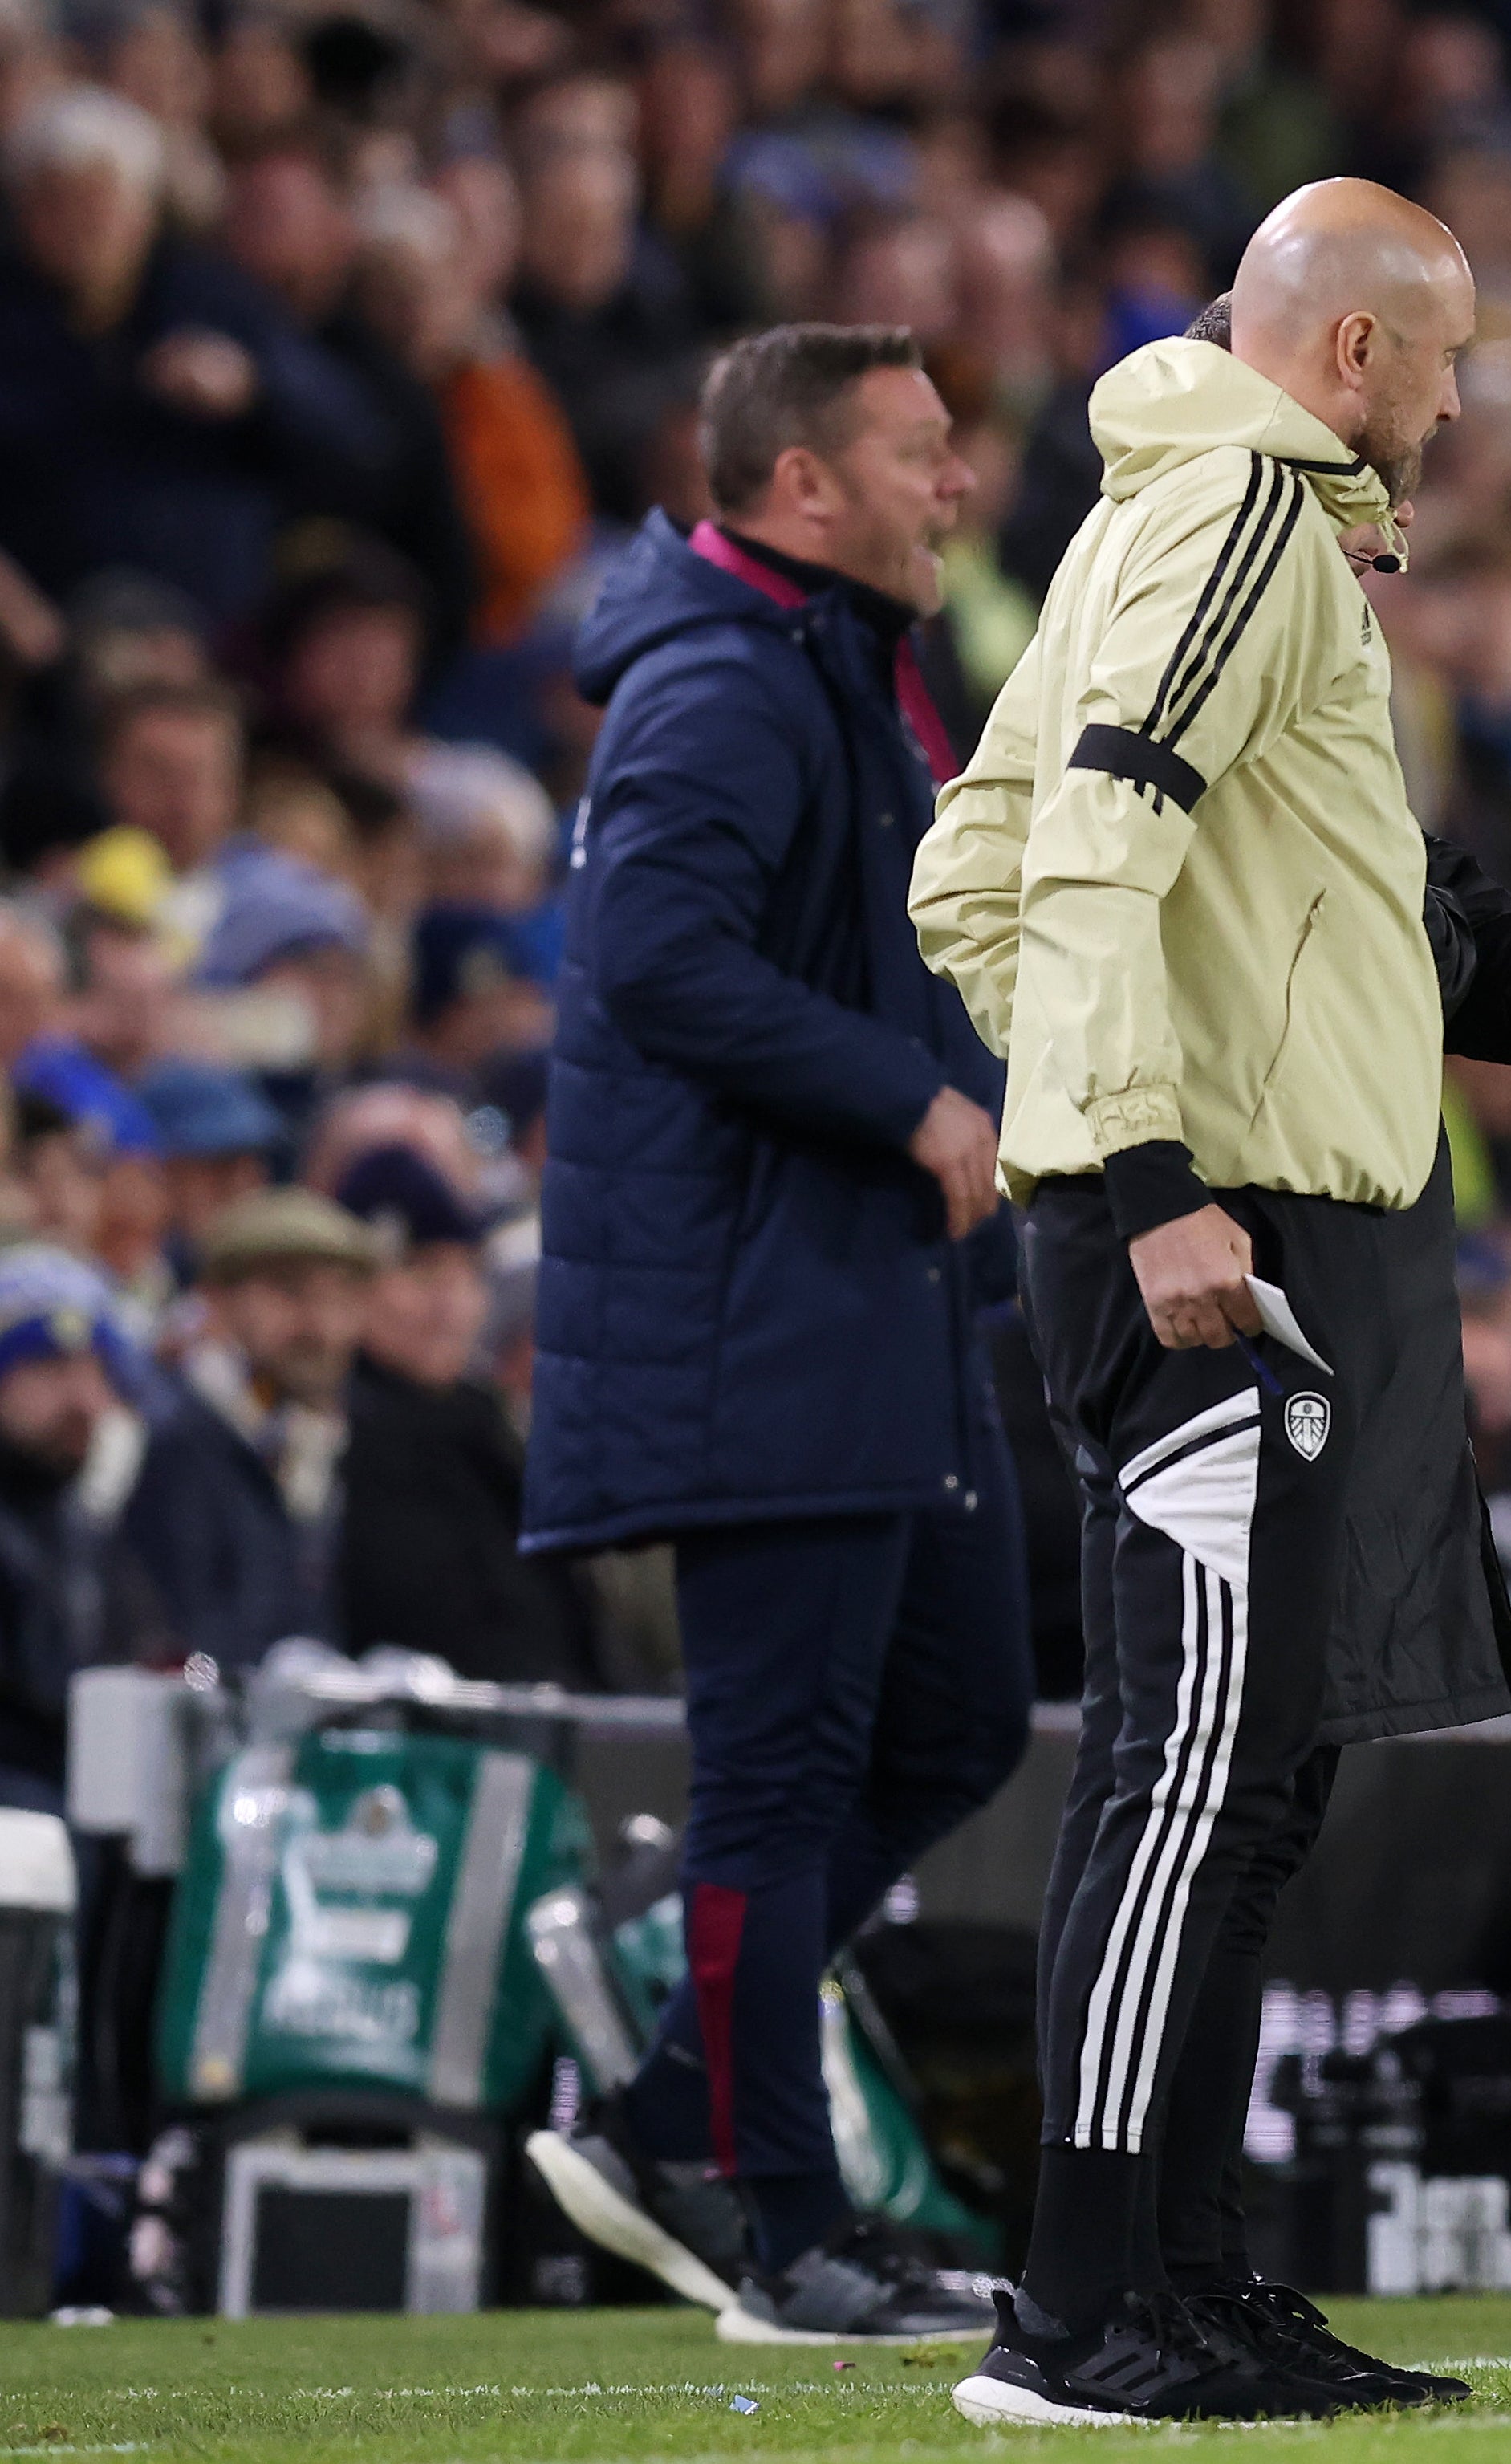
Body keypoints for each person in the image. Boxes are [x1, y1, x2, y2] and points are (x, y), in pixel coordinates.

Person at [913, 180, 1511, 2427]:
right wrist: (1144, 1175)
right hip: (1220, 1247)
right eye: (1448, 354)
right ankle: (1078, 2307)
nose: (1462, 396)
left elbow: (987, 870)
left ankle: (1188, 2274)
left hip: (1267, 1235)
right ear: (1350, 356)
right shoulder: (1232, 512)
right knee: (1196, 1769)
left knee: (1257, 1776)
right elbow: (1090, 846)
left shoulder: (1219, 533)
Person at [516, 324, 1025, 2348]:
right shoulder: (724, 680)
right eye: (916, 452)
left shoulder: (833, 660)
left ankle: (674, 2117)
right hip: (757, 1310)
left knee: (953, 1723)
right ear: (800, 486)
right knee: (778, 1779)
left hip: (877, 1299)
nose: (954, 484)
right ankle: (775, 2220)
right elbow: (650, 956)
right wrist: (907, 1098)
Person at [334, 1145, 597, 1685]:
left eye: (466, 1275)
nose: (450, 1307)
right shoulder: (343, 1435)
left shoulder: (487, 1426)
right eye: (422, 1274)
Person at [122, 1187, 376, 1665]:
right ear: (217, 1300)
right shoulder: (174, 1437)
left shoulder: (324, 1439)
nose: (321, 1328)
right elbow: (184, 1651)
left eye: (340, 1299)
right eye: (291, 1295)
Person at [0, 1250, 159, 1815]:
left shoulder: (81, 1520)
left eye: (94, 1372)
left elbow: (153, 1655)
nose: (83, 1401)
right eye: (49, 1370)